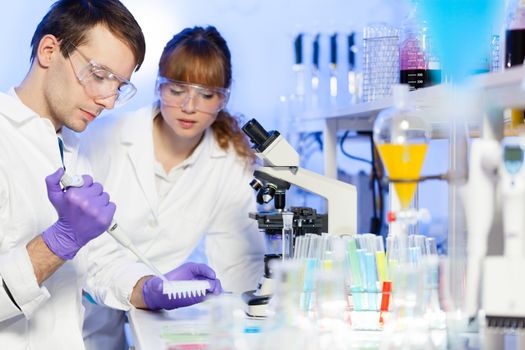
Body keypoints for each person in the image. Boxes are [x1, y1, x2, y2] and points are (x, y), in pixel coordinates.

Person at [0, 2, 222, 349]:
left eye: (118, 86)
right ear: (48, 51)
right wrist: (59, 241)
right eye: (99, 75)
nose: (107, 99)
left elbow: (97, 262)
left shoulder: (69, 147)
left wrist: (149, 287)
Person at [78, 26, 266, 349]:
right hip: (81, 311)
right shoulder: (106, 137)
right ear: (159, 87)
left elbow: (238, 261)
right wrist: (140, 286)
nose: (190, 106)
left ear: (223, 98)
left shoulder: (228, 161)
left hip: (152, 317)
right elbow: (80, 241)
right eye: (177, 89)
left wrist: (246, 314)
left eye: (206, 94)